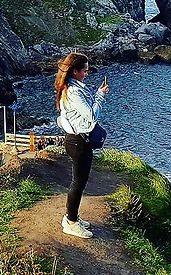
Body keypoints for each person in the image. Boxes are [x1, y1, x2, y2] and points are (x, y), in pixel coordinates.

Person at [55, 52, 108, 239]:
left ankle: (73, 217)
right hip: (79, 142)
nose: (87, 73)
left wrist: (95, 95)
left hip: (77, 140)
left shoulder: (71, 87)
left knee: (79, 182)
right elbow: (92, 116)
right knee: (78, 183)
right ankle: (70, 222)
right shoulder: (74, 91)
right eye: (84, 70)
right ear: (75, 71)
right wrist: (100, 96)